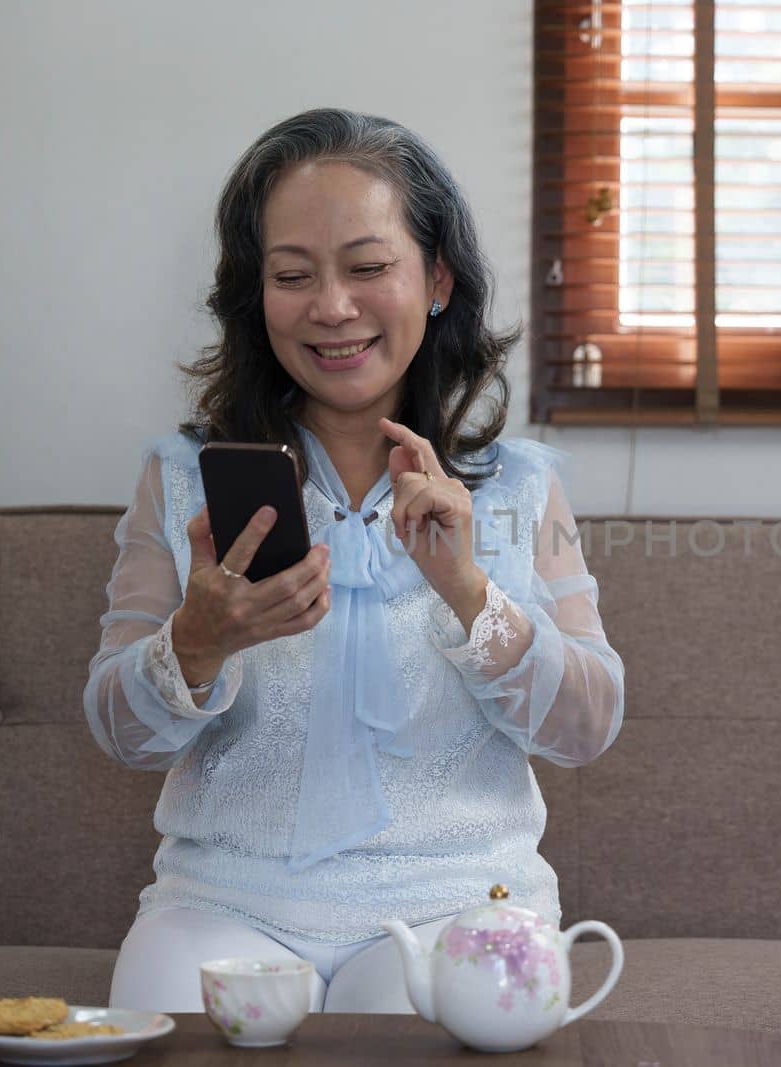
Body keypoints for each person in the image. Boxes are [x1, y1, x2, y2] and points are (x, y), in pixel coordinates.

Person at [83, 108, 625, 1014]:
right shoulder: (183, 481)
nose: (332, 308)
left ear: (438, 279)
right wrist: (196, 643)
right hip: (225, 905)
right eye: (293, 275)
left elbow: (586, 726)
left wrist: (467, 589)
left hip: (465, 903)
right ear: (256, 295)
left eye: (369, 268)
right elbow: (118, 731)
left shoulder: (519, 487)